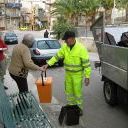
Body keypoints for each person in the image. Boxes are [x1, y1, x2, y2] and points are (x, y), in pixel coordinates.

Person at [42, 31, 91, 115]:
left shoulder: (81, 48)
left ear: (72, 39)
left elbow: (86, 64)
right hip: (68, 74)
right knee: (69, 92)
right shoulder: (65, 47)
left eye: (66, 40)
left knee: (77, 93)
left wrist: (87, 76)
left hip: (77, 75)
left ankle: (79, 108)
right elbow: (56, 57)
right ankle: (71, 107)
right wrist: (48, 64)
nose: (65, 42)